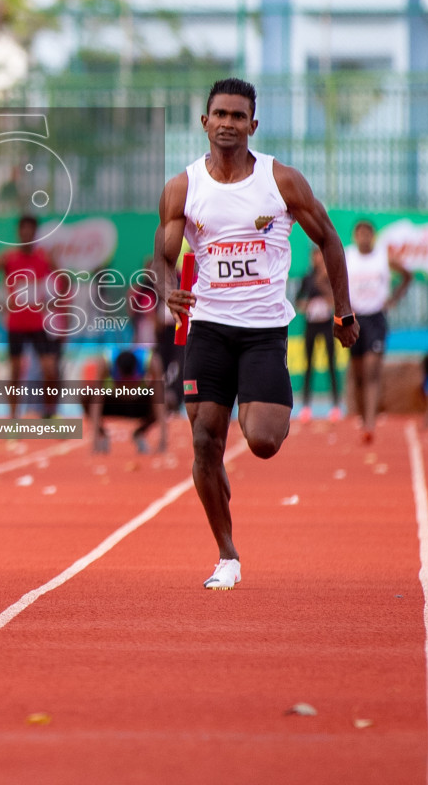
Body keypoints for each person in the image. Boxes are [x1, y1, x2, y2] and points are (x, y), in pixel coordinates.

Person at [157, 77, 359, 590]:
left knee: (265, 441)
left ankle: (257, 410)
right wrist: (166, 289)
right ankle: (227, 554)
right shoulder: (183, 187)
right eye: (219, 114)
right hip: (207, 328)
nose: (227, 123)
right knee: (205, 439)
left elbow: (330, 241)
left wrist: (343, 311)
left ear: (253, 124)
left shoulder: (280, 180)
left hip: (265, 330)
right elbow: (162, 255)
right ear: (205, 123)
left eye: (237, 115)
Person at [0, 213, 63, 419]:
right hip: (15, 324)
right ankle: (12, 418)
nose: (27, 234)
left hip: (37, 323)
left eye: (31, 230)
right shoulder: (8, 257)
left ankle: (50, 414)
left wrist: (53, 301)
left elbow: (64, 280)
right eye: (23, 230)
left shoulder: (44, 257)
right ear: (18, 233)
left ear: (36, 233)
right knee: (16, 372)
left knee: (49, 369)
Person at [345, 219, 411, 444]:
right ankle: (364, 418)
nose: (364, 237)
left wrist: (394, 299)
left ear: (372, 236)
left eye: (367, 233)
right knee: (358, 375)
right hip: (353, 319)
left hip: (376, 318)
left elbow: (407, 275)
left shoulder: (383, 257)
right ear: (355, 236)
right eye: (360, 233)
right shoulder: (347, 256)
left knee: (372, 370)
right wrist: (340, 303)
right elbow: (326, 278)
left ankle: (370, 423)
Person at [83, 345, 165, 455]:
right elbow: (96, 401)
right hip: (114, 402)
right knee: (86, 395)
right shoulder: (105, 363)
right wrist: (95, 441)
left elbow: (159, 401)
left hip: (138, 403)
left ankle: (140, 433)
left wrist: (163, 441)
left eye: (130, 382)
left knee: (168, 400)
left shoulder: (151, 362)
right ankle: (103, 435)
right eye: (123, 382)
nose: (126, 387)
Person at [294, 247, 343, 424]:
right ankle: (306, 406)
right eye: (314, 256)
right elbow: (298, 300)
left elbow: (335, 299)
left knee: (331, 363)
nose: (317, 259)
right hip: (311, 325)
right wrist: (307, 305)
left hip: (326, 325)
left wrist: (325, 296)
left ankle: (336, 405)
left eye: (320, 256)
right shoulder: (307, 278)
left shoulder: (328, 278)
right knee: (309, 364)